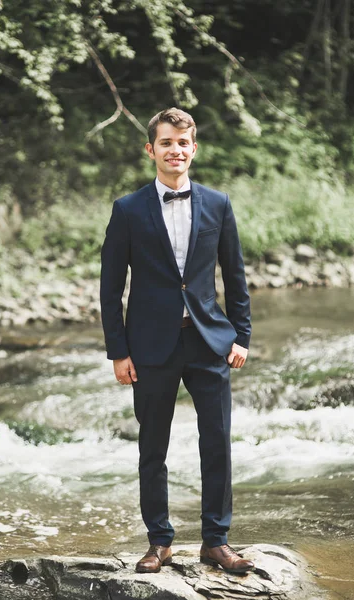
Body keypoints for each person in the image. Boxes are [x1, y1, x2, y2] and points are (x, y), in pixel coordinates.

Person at [100, 107, 254, 575]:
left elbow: (236, 274)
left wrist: (242, 334)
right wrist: (118, 351)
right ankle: (159, 542)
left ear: (194, 148)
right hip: (149, 348)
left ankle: (216, 541)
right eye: (167, 143)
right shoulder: (127, 210)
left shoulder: (218, 203)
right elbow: (110, 288)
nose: (176, 151)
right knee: (153, 447)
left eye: (183, 143)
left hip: (210, 342)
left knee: (218, 444)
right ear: (152, 149)